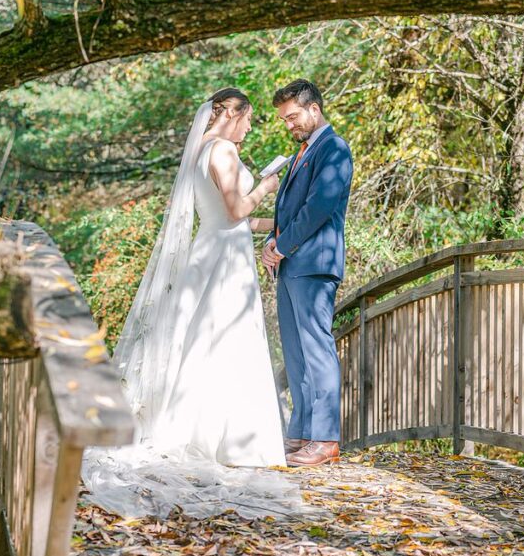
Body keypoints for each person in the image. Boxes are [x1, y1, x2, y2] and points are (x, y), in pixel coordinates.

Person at [83, 90, 302, 519]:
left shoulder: (204, 149)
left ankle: (227, 436)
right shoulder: (220, 150)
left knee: (213, 342)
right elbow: (238, 208)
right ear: (232, 114)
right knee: (221, 342)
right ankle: (218, 439)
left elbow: (232, 218)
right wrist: (267, 186)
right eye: (249, 118)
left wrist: (281, 225)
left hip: (221, 247)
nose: (251, 127)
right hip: (222, 257)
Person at [261, 79, 353, 467]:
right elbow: (290, 210)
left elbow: (317, 208)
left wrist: (282, 245)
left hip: (314, 264)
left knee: (317, 348)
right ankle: (300, 432)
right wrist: (272, 239)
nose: (289, 125)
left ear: (314, 109)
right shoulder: (301, 152)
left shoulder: (334, 149)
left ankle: (326, 437)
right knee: (295, 352)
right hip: (291, 263)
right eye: (285, 119)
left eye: (293, 117)